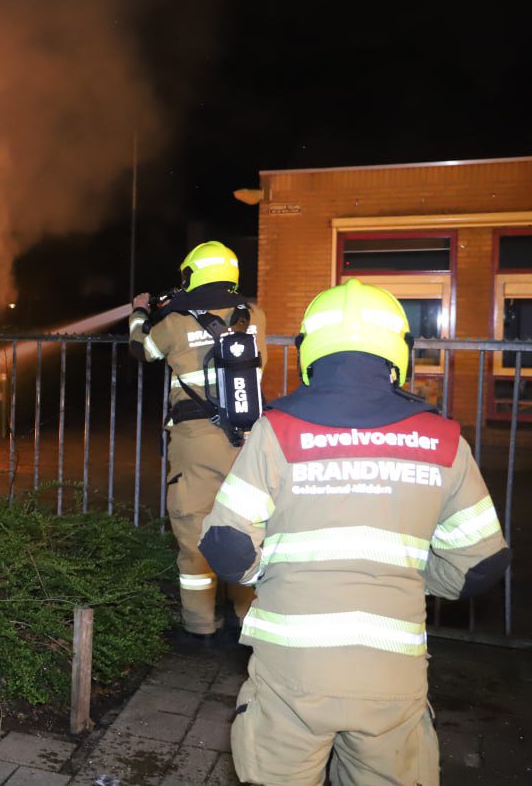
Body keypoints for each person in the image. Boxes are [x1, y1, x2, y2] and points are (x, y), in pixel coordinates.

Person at [199, 278, 510, 786]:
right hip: (392, 679)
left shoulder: (275, 431)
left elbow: (228, 547)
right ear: (399, 353)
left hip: (292, 675)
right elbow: (480, 563)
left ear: (309, 352)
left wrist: (280, 568)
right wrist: (404, 573)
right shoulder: (444, 439)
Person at [129, 240, 264, 643]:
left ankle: (200, 626)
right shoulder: (254, 315)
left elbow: (142, 350)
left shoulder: (176, 322)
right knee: (244, 531)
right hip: (248, 442)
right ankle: (249, 620)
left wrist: (140, 312)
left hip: (195, 440)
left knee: (194, 533)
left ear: (192, 275)